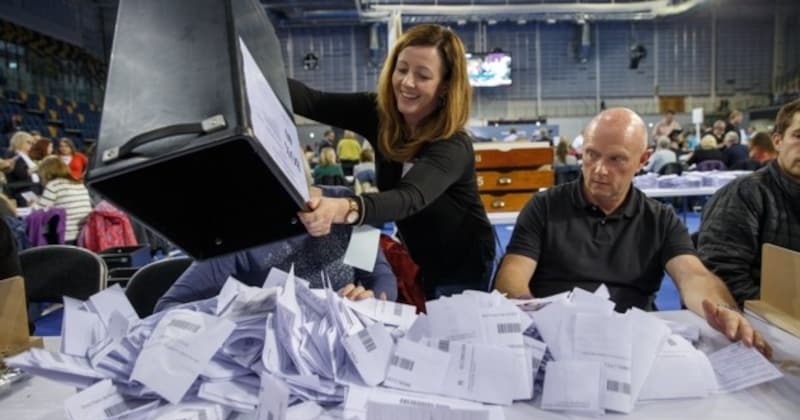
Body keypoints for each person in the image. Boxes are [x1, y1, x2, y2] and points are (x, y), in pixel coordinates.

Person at [493, 107, 771, 357]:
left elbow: (693, 276)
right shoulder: (544, 207)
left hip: (632, 347)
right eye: (591, 155)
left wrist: (723, 310)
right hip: (555, 341)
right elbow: (512, 276)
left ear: (643, 160)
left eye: (616, 159)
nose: (600, 170)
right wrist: (534, 317)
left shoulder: (661, 219)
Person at [290, 23, 495, 299]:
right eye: (401, 69)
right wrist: (250, 71)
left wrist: (341, 208)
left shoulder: (453, 145)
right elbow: (310, 101)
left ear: (445, 86)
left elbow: (407, 198)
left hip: (462, 264)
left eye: (422, 76)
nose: (407, 82)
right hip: (416, 254)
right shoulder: (378, 113)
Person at [155, 186, 398, 312]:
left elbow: (379, 276)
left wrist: (370, 300)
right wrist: (246, 311)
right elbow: (169, 307)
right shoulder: (238, 232)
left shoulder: (344, 205)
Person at [698, 99, 800, 307]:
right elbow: (723, 276)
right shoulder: (745, 194)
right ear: (778, 141)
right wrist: (783, 313)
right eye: (799, 136)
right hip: (761, 321)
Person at [31, 156, 92, 243]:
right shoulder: (78, 183)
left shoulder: (54, 185)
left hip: (65, 236)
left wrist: (33, 204)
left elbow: (40, 213)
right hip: (84, 234)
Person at [5, 131, 41, 207]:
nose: (31, 145)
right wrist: (38, 168)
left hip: (33, 188)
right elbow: (21, 173)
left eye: (31, 143)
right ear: (19, 141)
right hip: (23, 190)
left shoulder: (26, 156)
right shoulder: (13, 154)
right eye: (28, 142)